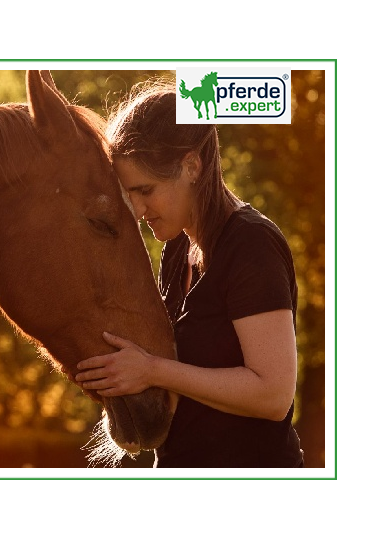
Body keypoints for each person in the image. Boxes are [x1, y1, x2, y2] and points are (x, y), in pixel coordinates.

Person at [75, 81, 304, 468]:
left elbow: (273, 395)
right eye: (128, 192)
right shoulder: (177, 249)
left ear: (192, 165)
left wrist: (152, 370)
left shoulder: (251, 245)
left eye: (145, 189)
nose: (136, 207)